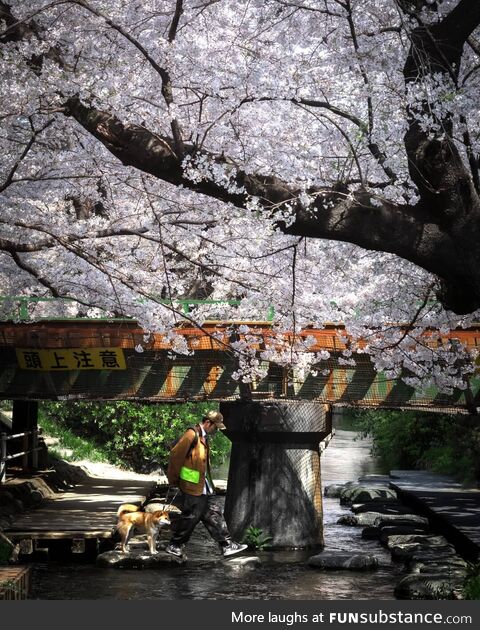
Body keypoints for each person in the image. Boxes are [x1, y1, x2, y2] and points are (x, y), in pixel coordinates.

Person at [165, 410, 248, 559]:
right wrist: (174, 480)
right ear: (208, 423)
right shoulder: (192, 434)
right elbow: (175, 455)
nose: (216, 430)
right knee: (191, 516)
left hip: (203, 486)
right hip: (192, 485)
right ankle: (175, 545)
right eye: (215, 427)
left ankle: (226, 545)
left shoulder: (204, 437)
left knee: (213, 513)